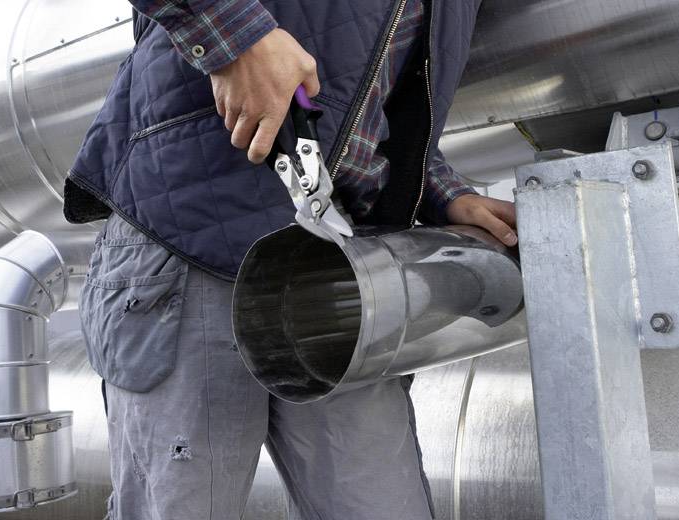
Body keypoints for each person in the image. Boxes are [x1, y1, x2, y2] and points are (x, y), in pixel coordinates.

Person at [65, 1, 517, 518]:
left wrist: (442, 192)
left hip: (345, 265)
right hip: (190, 232)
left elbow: (374, 101)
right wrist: (234, 34)